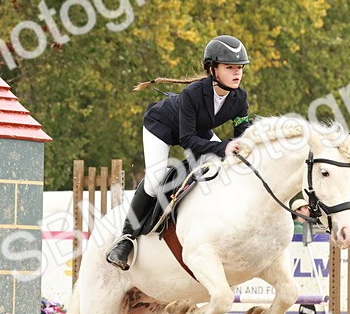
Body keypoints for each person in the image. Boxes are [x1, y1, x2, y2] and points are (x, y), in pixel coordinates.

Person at [105, 35, 252, 269]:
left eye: (239, 68)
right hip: (161, 127)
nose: (237, 73)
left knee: (220, 165)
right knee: (155, 181)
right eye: (230, 67)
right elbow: (188, 141)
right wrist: (224, 146)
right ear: (212, 69)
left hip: (196, 130)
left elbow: (243, 135)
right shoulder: (193, 94)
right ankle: (125, 239)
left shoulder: (239, 98)